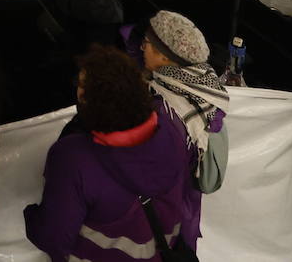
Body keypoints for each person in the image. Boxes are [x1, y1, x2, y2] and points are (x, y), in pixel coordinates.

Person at [24, 45, 197, 261]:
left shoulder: (72, 158)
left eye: (80, 86)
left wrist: (31, 216)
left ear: (87, 101)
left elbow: (54, 239)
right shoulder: (172, 133)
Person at [140, 10, 229, 242]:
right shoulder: (205, 87)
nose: (141, 49)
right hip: (186, 211)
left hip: (162, 220)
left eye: (146, 44)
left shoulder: (165, 109)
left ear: (165, 57)